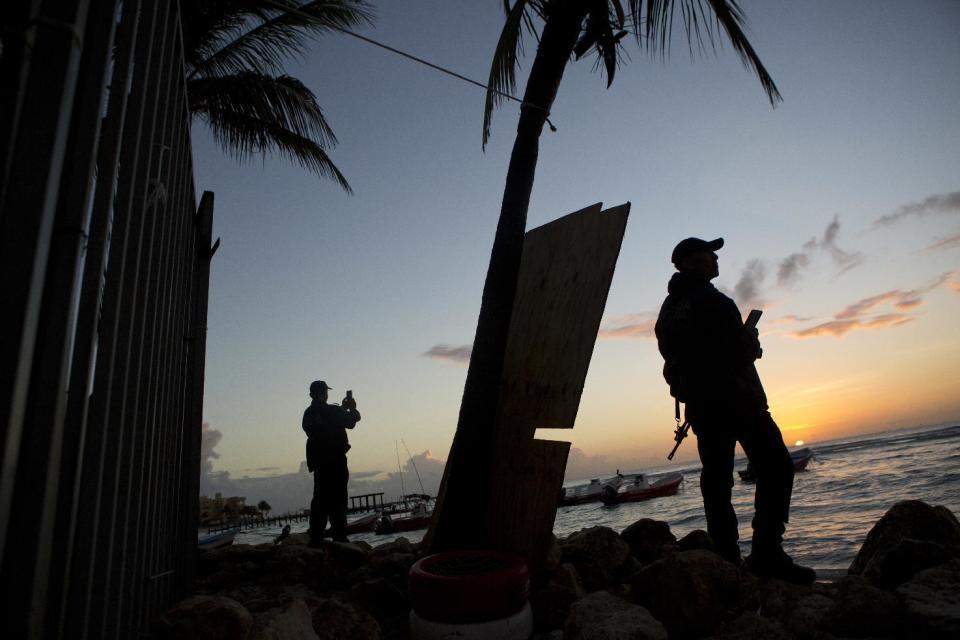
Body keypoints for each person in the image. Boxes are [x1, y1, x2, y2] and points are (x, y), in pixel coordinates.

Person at [654, 237, 815, 585]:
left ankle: (726, 557)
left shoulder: (667, 312)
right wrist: (752, 345)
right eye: (709, 254)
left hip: (701, 407)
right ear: (693, 262)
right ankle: (767, 555)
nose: (715, 258)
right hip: (738, 400)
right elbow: (736, 354)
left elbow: (676, 357)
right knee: (776, 468)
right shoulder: (714, 301)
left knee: (716, 481)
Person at [302, 380, 361, 546]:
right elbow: (352, 420)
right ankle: (340, 537)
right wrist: (352, 407)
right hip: (335, 461)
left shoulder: (308, 413)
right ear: (325, 393)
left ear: (311, 394)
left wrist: (341, 409)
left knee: (320, 500)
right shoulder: (331, 410)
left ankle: (316, 539)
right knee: (338, 500)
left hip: (319, 463)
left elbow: (323, 424)